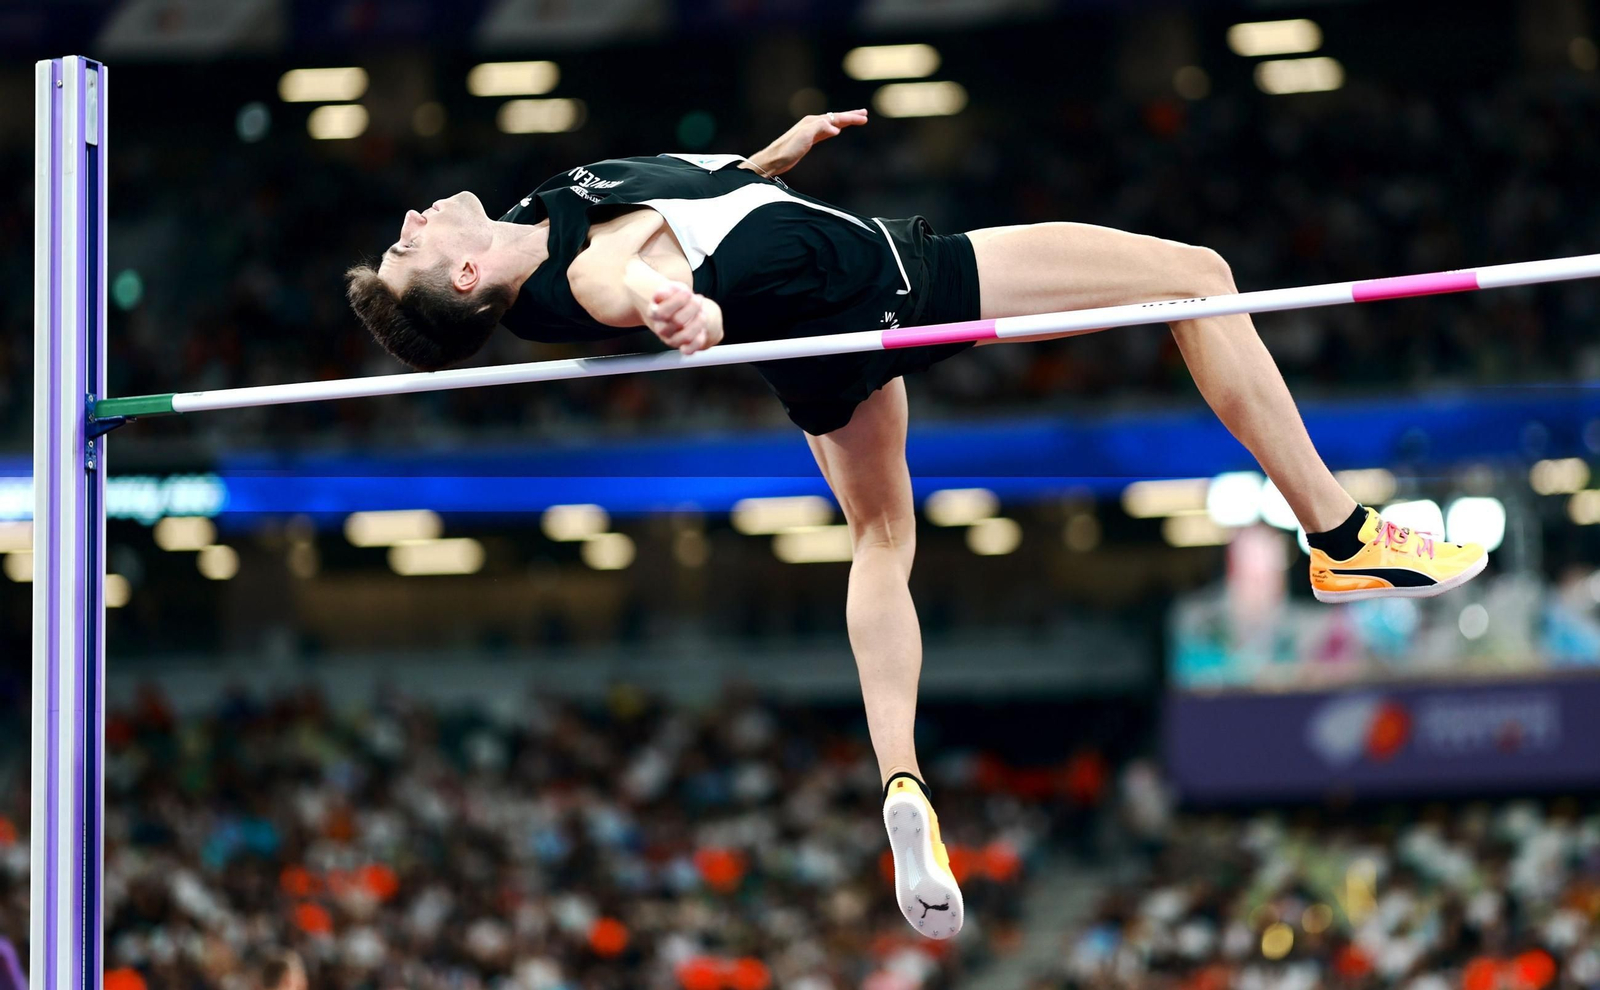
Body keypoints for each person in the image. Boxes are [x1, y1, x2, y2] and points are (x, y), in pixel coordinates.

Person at [346, 110, 1487, 939]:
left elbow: (666, 213)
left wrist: (762, 164)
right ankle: (1338, 534)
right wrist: (667, 308)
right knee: (1195, 275)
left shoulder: (545, 218)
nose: (407, 214)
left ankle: (902, 782)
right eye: (406, 245)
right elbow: (623, 273)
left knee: (883, 538)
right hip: (880, 279)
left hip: (812, 325)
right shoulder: (576, 272)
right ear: (461, 270)